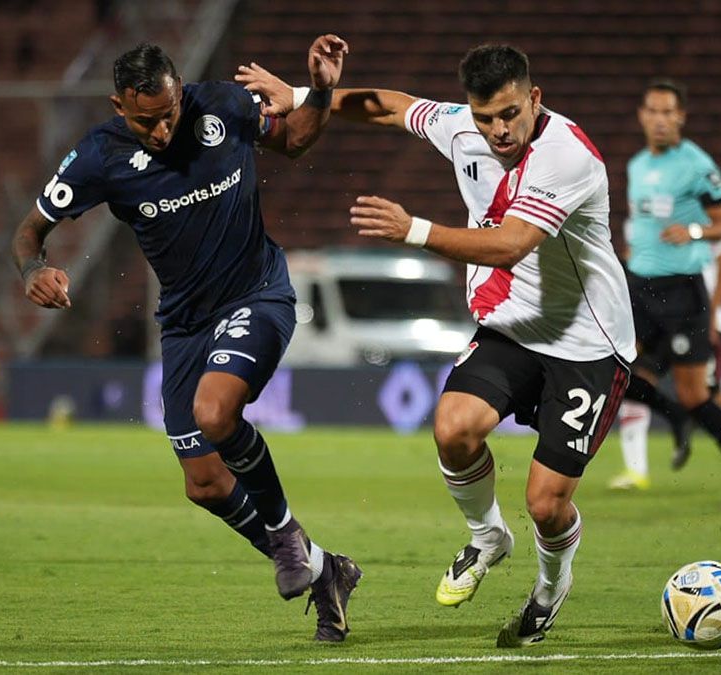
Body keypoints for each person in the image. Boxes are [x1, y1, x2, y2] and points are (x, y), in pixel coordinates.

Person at [241, 43, 636, 648]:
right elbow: (389, 108)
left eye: (510, 113)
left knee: (547, 503)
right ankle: (487, 537)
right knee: (453, 428)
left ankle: (550, 587)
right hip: (513, 329)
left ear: (535, 99)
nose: (499, 130)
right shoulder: (461, 128)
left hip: (587, 341)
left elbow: (510, 245)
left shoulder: (566, 156)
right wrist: (301, 94)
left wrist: (414, 230)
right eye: (485, 117)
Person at [11, 37, 362, 642]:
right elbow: (29, 231)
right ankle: (325, 567)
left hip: (259, 294)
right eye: (146, 119)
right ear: (119, 105)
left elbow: (296, 138)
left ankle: (284, 537)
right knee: (202, 482)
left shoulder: (222, 106)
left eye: (170, 111)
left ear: (180, 89)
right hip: (184, 322)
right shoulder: (99, 155)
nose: (162, 127)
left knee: (215, 411)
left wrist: (323, 90)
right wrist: (33, 271)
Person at [616, 78, 721, 504]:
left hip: (682, 293)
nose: (660, 120)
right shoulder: (636, 165)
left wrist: (695, 230)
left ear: (680, 117)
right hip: (639, 288)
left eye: (668, 112)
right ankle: (672, 415)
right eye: (652, 111)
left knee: (697, 394)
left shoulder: (696, 164)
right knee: (614, 372)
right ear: (642, 116)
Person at [609, 236, 721, 491]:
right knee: (625, 376)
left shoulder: (691, 213)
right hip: (653, 311)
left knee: (703, 401)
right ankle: (637, 470)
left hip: (692, 317)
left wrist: (714, 310)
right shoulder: (645, 212)